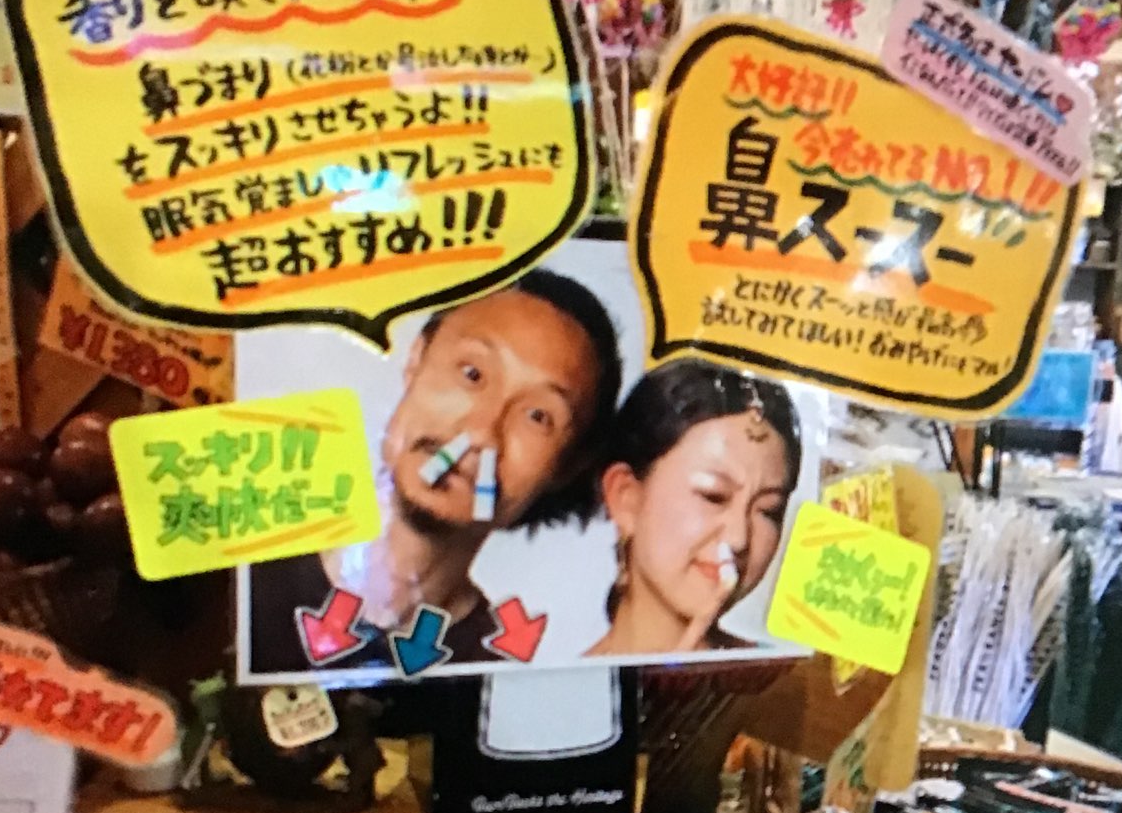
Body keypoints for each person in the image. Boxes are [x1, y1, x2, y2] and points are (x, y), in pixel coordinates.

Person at [248, 270, 622, 673]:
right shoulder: (242, 566)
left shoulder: (495, 674)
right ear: (416, 360)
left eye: (537, 416)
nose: (482, 434)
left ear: (566, 467)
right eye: (472, 374)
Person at [584, 360, 801, 658]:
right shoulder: (559, 684)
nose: (738, 539)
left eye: (768, 510)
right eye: (714, 496)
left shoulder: (786, 683)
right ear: (626, 497)